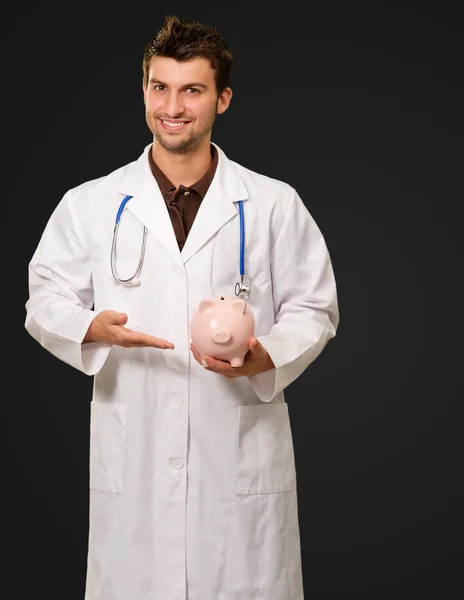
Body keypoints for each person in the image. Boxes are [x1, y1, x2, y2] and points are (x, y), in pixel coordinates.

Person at [24, 14, 339, 600]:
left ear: (221, 98)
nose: (173, 106)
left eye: (192, 90)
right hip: (136, 458)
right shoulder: (91, 203)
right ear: (144, 90)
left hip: (237, 465)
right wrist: (91, 327)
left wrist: (263, 356)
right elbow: (43, 296)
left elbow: (315, 308)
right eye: (160, 87)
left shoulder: (271, 204)